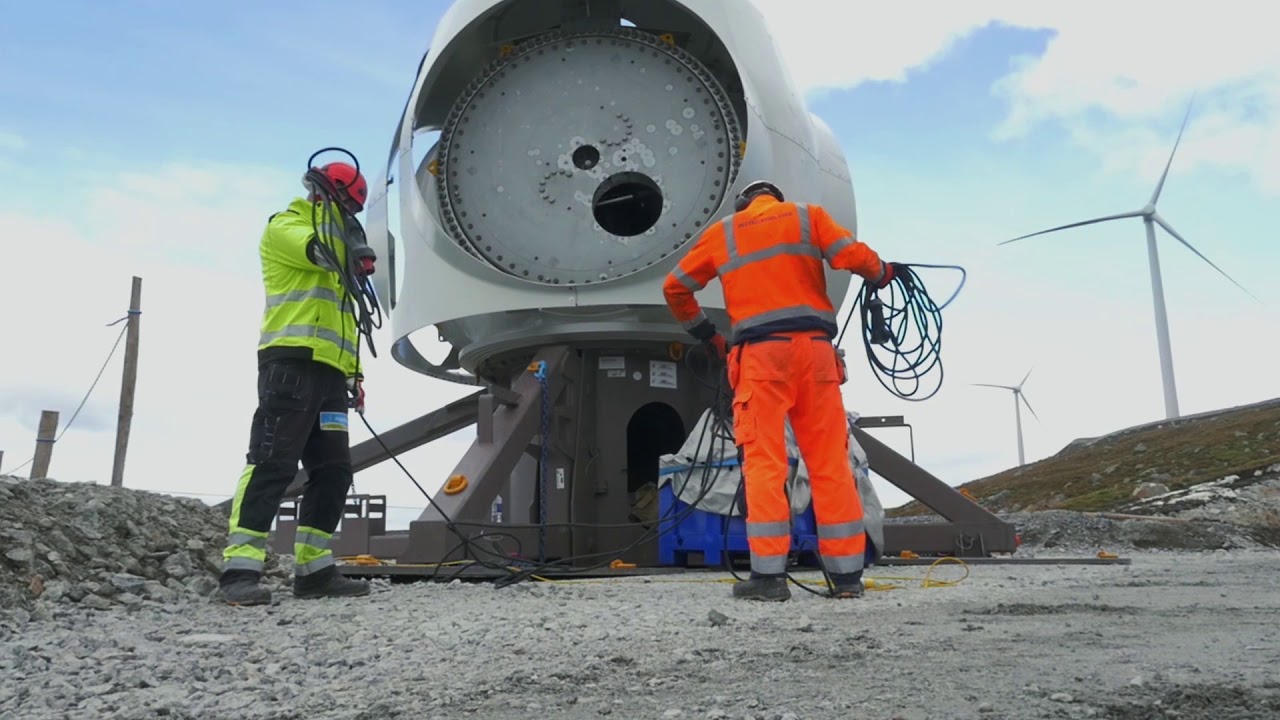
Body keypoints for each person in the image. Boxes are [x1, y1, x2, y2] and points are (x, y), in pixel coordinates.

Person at [662, 180, 895, 602]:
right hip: (817, 356)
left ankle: (769, 578)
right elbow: (850, 256)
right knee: (830, 466)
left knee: (765, 467)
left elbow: (675, 287)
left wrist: (705, 333)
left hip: (761, 358)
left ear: (744, 203)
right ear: (776, 199)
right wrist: (882, 272)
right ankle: (846, 578)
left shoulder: (725, 233)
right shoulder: (808, 217)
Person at [218, 160, 376, 606]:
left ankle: (314, 571)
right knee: (273, 462)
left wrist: (353, 374)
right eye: (346, 205)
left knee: (334, 472)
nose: (350, 215)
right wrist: (348, 236)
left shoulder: (340, 243)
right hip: (292, 364)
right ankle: (239, 570)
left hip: (329, 373)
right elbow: (320, 252)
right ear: (325, 194)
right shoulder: (286, 227)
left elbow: (345, 320)